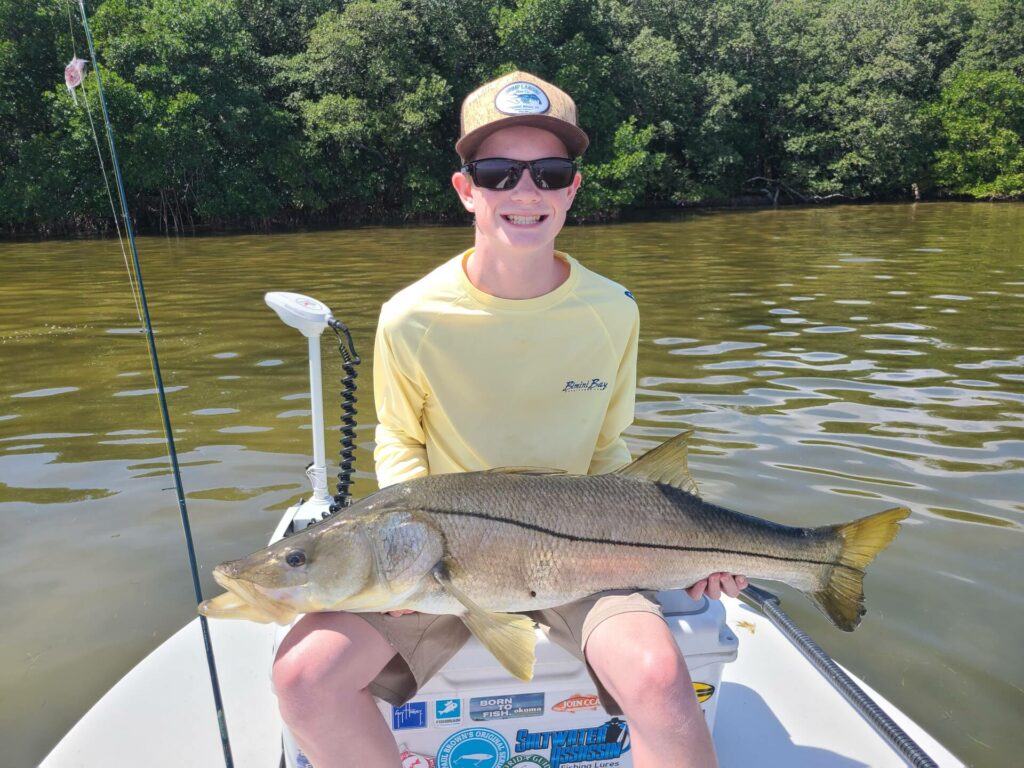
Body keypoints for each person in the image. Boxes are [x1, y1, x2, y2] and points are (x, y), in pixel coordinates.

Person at [272, 71, 748, 768]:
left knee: (663, 681)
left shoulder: (613, 309)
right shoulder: (412, 316)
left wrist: (693, 546)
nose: (525, 193)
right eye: (498, 173)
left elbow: (610, 449)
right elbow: (399, 439)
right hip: (442, 556)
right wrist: (405, 565)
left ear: (573, 189)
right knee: (304, 678)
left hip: (578, 551)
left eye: (550, 172)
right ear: (466, 188)